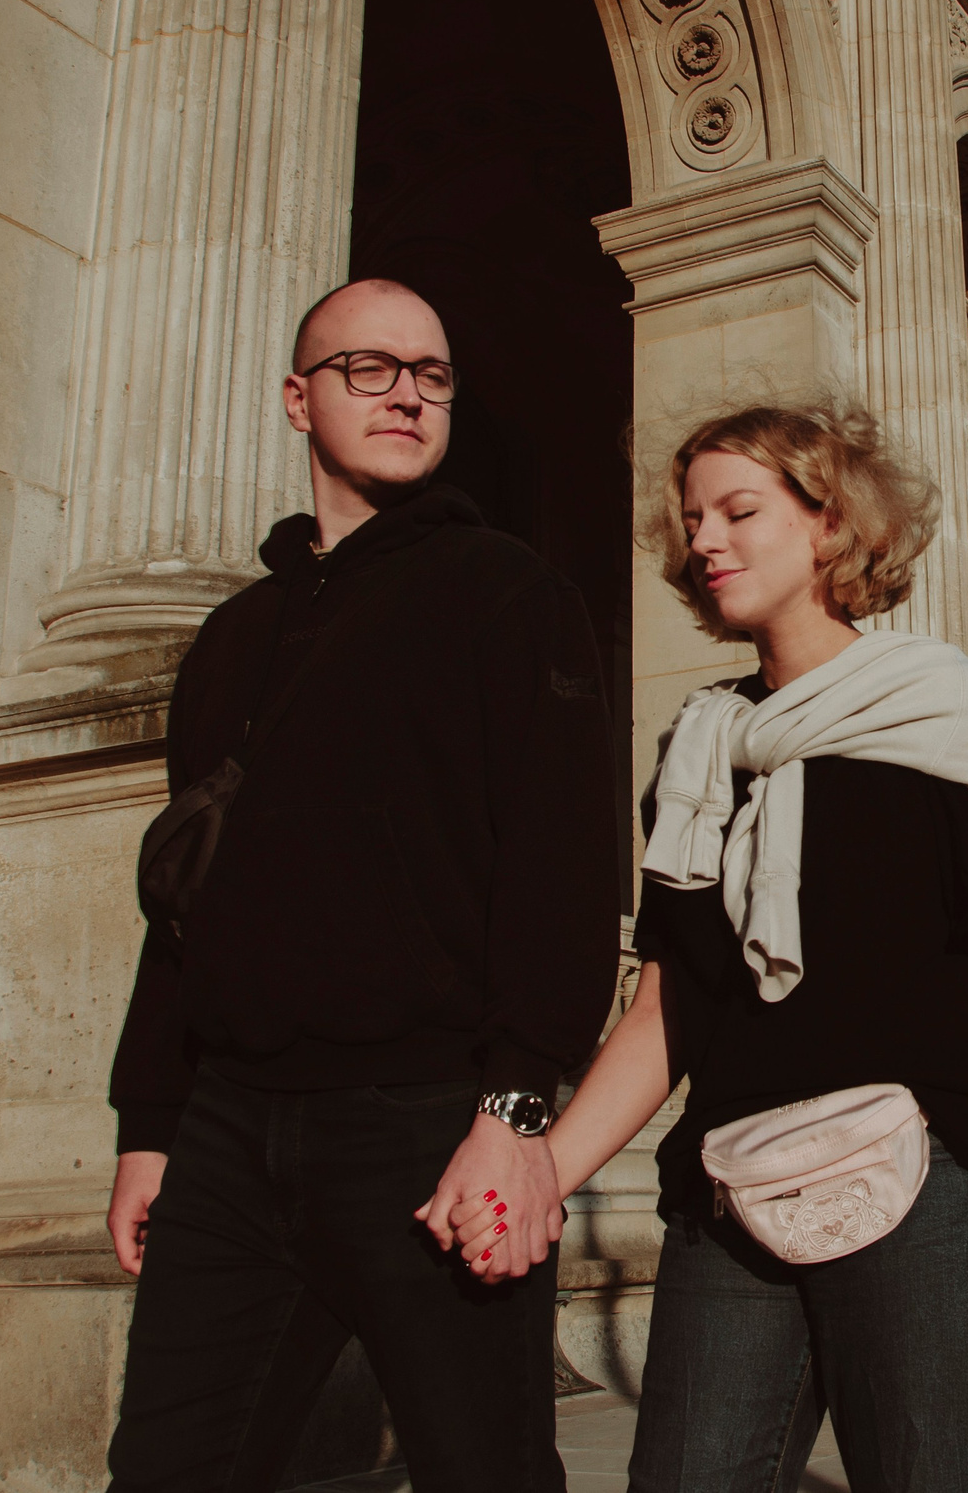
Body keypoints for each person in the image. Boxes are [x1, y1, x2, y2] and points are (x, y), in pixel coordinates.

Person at [455, 402, 968, 1492]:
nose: (703, 540)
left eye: (737, 511)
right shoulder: (699, 752)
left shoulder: (935, 708)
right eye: (691, 520)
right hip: (729, 1189)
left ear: (830, 525)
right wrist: (537, 1174)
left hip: (936, 1182)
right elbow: (665, 1007)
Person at [102, 279, 619, 1493]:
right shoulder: (231, 635)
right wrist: (150, 1125)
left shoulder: (509, 590)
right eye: (370, 367)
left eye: (431, 374)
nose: (407, 393)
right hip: (229, 1133)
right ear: (299, 397)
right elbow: (182, 900)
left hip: (429, 1122)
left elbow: (560, 869)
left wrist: (516, 1116)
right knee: (167, 1471)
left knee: (485, 1471)